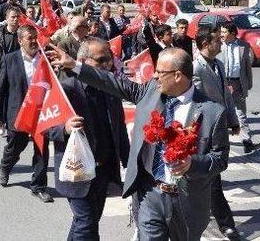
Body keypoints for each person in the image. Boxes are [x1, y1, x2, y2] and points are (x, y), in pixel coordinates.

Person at [49, 45, 230, 241]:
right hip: (149, 194)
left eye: (160, 72)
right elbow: (113, 82)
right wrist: (75, 65)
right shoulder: (150, 91)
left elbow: (220, 159)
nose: (154, 76)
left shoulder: (213, 112)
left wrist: (192, 163)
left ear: (178, 76)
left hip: (187, 200)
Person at [49, 38, 130, 240]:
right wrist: (64, 128)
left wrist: (130, 164)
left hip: (102, 170)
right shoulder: (66, 89)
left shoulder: (111, 90)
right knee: (87, 225)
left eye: (109, 60)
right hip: (77, 170)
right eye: (101, 60)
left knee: (87, 220)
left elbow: (119, 128)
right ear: (83, 61)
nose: (107, 65)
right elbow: (44, 126)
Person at [0, 25, 53, 203]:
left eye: (35, 37)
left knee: (42, 150)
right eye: (29, 38)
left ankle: (39, 187)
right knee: (15, 147)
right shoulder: (9, 60)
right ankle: (5, 166)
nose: (34, 41)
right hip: (18, 113)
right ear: (20, 41)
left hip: (42, 113)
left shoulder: (45, 60)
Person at [192, 26, 241, 241]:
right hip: (203, 131)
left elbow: (225, 97)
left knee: (211, 175)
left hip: (220, 127)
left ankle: (202, 213)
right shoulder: (195, 68)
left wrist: (232, 119)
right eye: (217, 41)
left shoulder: (219, 65)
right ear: (205, 44)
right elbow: (195, 102)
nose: (221, 43)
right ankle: (226, 224)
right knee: (212, 177)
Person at [220, 21, 256, 154]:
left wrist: (248, 84)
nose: (221, 34)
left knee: (241, 113)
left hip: (238, 83)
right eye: (221, 32)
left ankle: (246, 140)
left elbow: (247, 67)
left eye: (224, 32)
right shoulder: (219, 45)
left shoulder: (244, 46)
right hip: (222, 83)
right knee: (221, 113)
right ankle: (221, 142)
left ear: (232, 33)